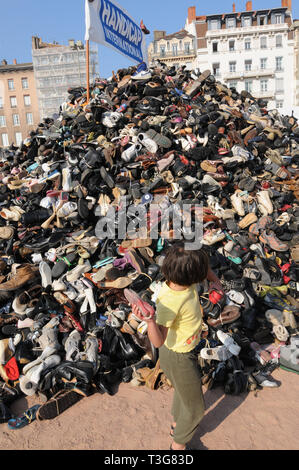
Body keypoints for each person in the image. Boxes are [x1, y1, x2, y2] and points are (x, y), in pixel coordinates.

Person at [132, 242, 223, 450]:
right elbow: (157, 341)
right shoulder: (170, 302)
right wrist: (150, 322)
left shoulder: (181, 279)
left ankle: (176, 425)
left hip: (183, 351)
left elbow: (205, 269)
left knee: (185, 391)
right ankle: (178, 446)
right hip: (177, 357)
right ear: (193, 275)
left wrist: (216, 281)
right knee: (196, 408)